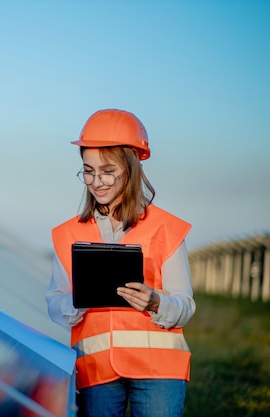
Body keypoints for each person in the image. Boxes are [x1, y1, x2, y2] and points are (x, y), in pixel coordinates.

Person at [46, 109, 196, 417]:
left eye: (107, 171)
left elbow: (186, 306)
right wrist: (76, 303)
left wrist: (156, 302)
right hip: (96, 369)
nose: (96, 182)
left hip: (160, 372)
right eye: (88, 171)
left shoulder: (166, 228)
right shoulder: (67, 234)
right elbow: (55, 302)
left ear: (131, 168)